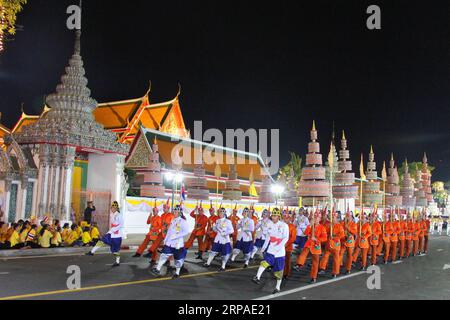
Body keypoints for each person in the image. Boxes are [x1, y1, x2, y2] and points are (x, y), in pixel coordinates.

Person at [252, 208, 290, 294]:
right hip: (271, 249)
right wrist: (264, 248)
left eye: (275, 216)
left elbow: (286, 238)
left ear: (279, 216)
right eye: (273, 215)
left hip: (280, 251)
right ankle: (257, 277)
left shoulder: (284, 226)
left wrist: (279, 247)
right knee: (265, 262)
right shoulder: (269, 224)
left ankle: (277, 287)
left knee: (278, 272)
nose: (273, 217)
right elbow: (268, 238)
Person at [151, 205, 190, 279]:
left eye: (175, 211)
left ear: (179, 212)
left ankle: (177, 272)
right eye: (174, 211)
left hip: (178, 244)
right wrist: (166, 240)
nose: (174, 213)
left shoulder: (183, 221)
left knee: (178, 260)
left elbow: (186, 232)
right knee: (163, 255)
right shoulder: (173, 220)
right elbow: (169, 231)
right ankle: (158, 269)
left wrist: (176, 236)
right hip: (170, 243)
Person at [86, 201, 124, 267]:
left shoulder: (119, 215)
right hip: (111, 234)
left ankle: (117, 262)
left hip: (117, 236)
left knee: (115, 251)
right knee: (102, 240)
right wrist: (110, 231)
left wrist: (112, 230)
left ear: (115, 208)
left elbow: (120, 225)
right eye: (111, 207)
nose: (111, 209)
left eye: (112, 208)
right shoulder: (113, 215)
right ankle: (92, 252)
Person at [294, 210, 328, 283]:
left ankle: (313, 277)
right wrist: (309, 225)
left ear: (320, 219)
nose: (315, 219)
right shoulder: (310, 226)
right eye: (314, 217)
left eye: (317, 218)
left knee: (315, 262)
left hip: (316, 245)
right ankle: (299, 264)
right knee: (303, 253)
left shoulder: (322, 227)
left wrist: (316, 239)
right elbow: (305, 233)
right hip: (309, 243)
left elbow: (325, 238)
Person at [203, 207, 234, 271]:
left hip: (225, 240)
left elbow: (232, 230)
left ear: (224, 213)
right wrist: (214, 227)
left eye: (221, 212)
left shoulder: (228, 221)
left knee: (224, 254)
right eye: (219, 212)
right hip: (217, 239)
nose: (220, 213)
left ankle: (223, 267)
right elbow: (216, 230)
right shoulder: (217, 221)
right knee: (212, 252)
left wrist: (225, 233)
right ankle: (208, 263)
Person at [319, 212, 344, 277]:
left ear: (336, 218)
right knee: (325, 256)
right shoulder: (328, 225)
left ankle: (335, 272)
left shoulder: (339, 226)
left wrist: (335, 237)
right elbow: (324, 232)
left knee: (336, 258)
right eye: (331, 217)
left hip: (336, 244)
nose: (332, 219)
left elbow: (342, 234)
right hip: (328, 244)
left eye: (333, 217)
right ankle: (322, 268)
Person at [283, 210, 297, 279]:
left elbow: (293, 238)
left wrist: (287, 244)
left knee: (287, 261)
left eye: (287, 218)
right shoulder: (281, 226)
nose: (285, 219)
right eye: (284, 218)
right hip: (281, 247)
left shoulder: (292, 227)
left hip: (288, 247)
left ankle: (286, 273)